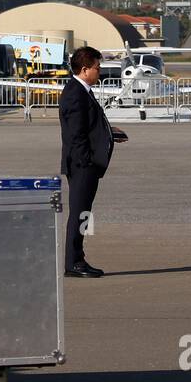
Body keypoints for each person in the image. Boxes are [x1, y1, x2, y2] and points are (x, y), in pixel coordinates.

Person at [58, 46, 126, 278]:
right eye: (98, 68)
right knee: (79, 213)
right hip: (82, 166)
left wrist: (109, 132)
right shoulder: (75, 93)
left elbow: (88, 126)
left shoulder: (82, 90)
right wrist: (86, 162)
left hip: (86, 165)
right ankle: (74, 262)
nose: (100, 72)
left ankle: (78, 258)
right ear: (85, 69)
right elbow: (76, 135)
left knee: (83, 213)